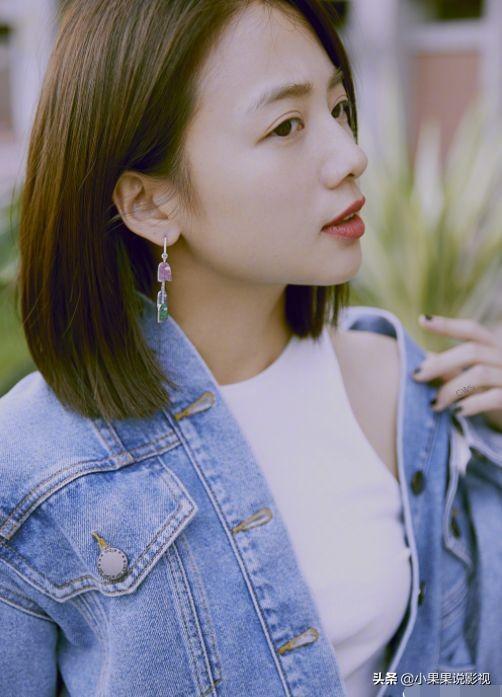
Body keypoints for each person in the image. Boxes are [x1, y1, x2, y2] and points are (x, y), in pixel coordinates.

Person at [0, 1, 501, 695]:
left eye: (339, 107)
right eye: (286, 126)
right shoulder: (33, 468)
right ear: (150, 204)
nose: (350, 155)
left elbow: (464, 669)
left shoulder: (407, 386)